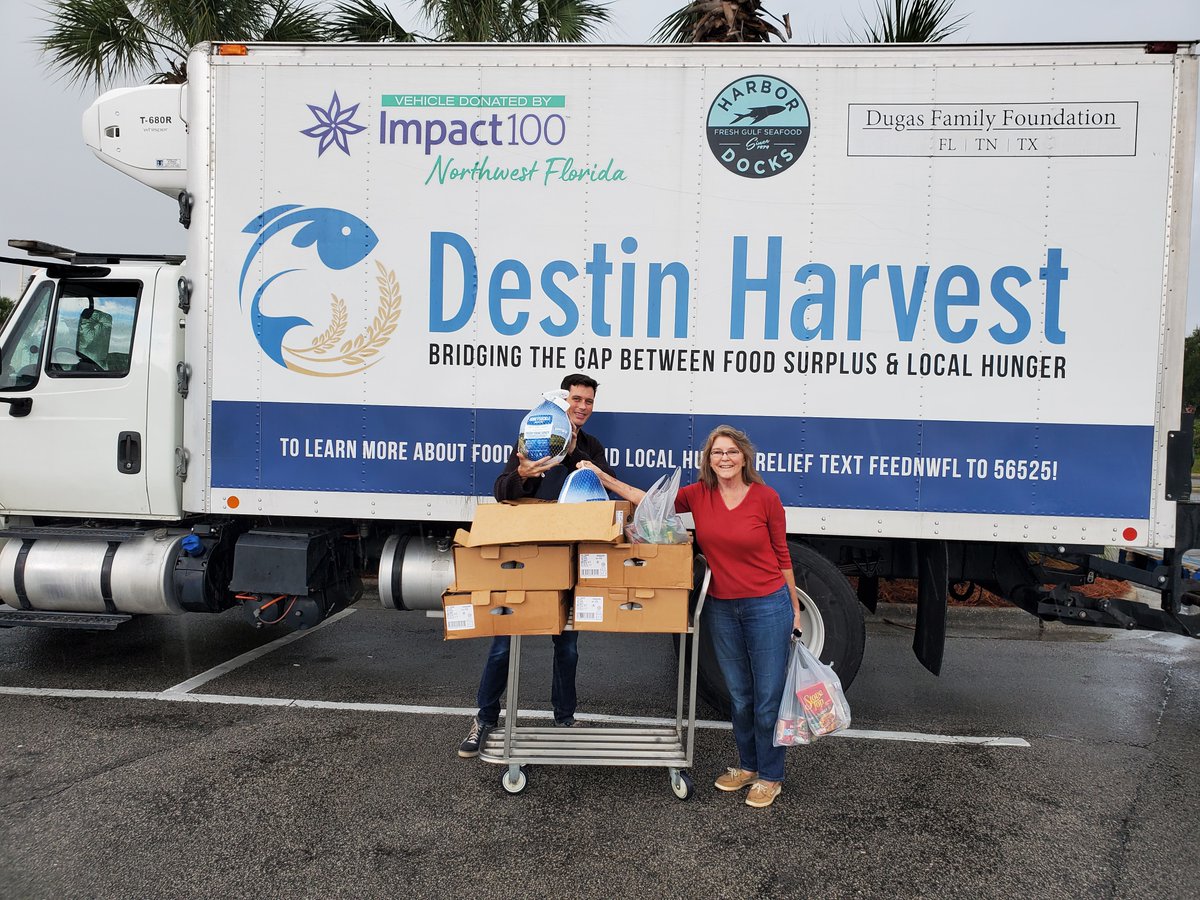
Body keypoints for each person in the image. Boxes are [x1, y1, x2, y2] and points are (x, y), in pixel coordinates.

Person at [580, 425, 801, 808]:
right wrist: (602, 478)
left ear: (744, 457)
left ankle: (771, 775)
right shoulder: (699, 495)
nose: (725, 458)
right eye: (717, 452)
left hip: (768, 605)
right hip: (722, 606)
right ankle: (748, 766)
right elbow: (648, 501)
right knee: (739, 695)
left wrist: (795, 608)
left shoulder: (766, 498)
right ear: (708, 460)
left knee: (768, 698)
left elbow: (782, 556)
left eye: (732, 451)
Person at [458, 373, 617, 758]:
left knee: (568, 647)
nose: (582, 406)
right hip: (526, 560)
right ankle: (484, 718)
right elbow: (500, 491)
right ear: (562, 402)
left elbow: (600, 492)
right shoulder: (531, 439)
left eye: (588, 401)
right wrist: (523, 474)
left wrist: (572, 453)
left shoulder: (592, 448)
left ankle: (564, 719)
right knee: (503, 644)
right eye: (575, 399)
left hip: (569, 560)